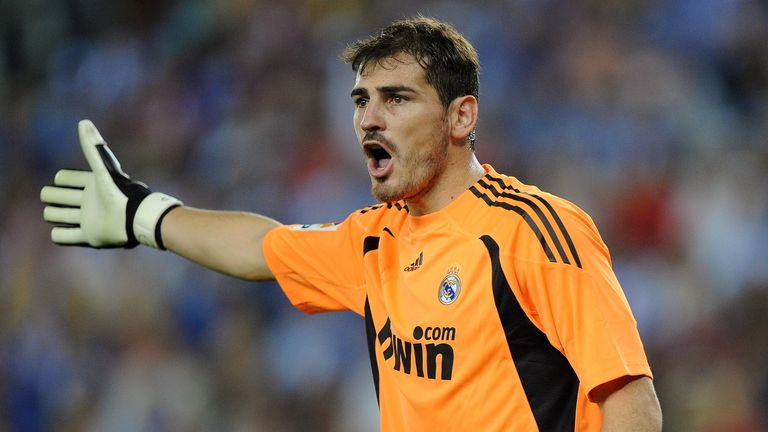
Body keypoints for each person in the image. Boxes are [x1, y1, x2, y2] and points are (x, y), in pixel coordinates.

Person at [40, 16, 662, 431]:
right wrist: (143, 215)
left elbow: (630, 399)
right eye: (362, 100)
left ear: (461, 116)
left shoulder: (532, 231)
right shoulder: (375, 239)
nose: (370, 118)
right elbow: (262, 248)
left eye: (397, 98)